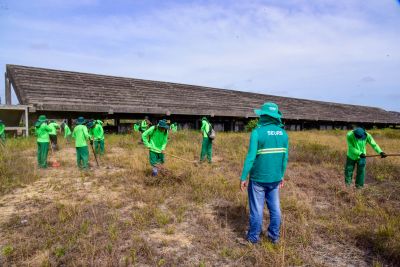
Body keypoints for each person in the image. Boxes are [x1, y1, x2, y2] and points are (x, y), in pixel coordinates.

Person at [240, 102, 289, 244]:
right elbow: (285, 158)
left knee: (257, 210)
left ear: (264, 116)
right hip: (275, 178)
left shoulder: (257, 132)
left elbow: (250, 158)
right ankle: (274, 236)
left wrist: (243, 177)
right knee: (275, 209)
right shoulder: (284, 134)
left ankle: (253, 238)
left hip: (258, 179)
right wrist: (281, 176)